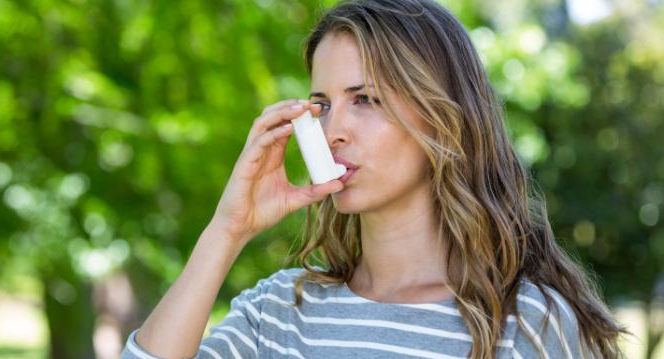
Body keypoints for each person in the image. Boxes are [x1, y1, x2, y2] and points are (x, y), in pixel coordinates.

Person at [120, 0, 627, 358]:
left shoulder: (527, 325)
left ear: (443, 116)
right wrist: (226, 231)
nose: (332, 130)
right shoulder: (277, 311)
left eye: (365, 99)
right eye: (321, 105)